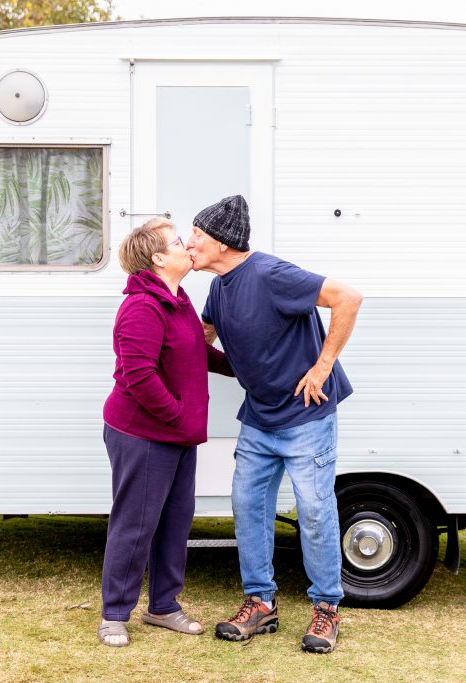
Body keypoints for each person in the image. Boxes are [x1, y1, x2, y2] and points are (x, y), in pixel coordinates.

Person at [186, 195, 362, 654]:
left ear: (222, 242)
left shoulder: (269, 273)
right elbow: (203, 342)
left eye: (197, 236)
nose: (189, 244)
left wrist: (322, 367)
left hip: (307, 417)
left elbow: (348, 297)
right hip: (260, 419)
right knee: (247, 507)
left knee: (316, 512)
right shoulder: (219, 287)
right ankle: (260, 603)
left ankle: (326, 609)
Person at [98, 218, 233, 647]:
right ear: (158, 258)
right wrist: (176, 414)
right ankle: (115, 615)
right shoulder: (142, 306)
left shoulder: (178, 300)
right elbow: (137, 374)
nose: (187, 246)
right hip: (143, 433)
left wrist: (246, 369)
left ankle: (163, 607)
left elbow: (197, 351)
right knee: (136, 524)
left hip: (176, 433)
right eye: (178, 242)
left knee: (175, 522)